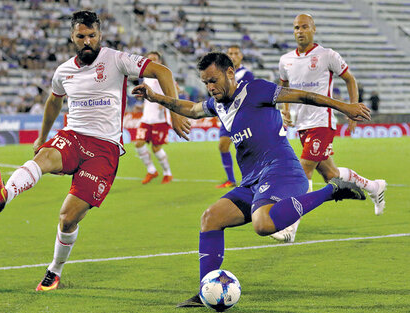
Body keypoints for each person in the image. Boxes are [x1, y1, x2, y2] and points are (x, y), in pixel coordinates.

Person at [132, 52, 370, 307]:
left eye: (213, 80)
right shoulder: (218, 103)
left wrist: (345, 106)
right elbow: (190, 109)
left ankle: (332, 190)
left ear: (230, 73)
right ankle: (205, 293)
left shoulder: (256, 89)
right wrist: (156, 98)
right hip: (252, 180)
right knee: (210, 219)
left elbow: (304, 95)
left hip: (281, 170)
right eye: (205, 83)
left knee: (263, 224)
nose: (210, 87)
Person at [0, 11, 190, 292]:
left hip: (104, 149)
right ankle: (4, 196)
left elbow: (162, 71)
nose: (87, 41)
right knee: (42, 157)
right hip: (73, 137)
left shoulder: (117, 59)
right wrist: (42, 137)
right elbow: (53, 103)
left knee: (68, 218)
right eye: (81, 36)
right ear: (72, 37)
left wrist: (175, 110)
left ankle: (54, 270)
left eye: (91, 36)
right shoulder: (64, 71)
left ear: (100, 35)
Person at [273, 14, 386, 243]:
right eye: (296, 27)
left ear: (313, 29)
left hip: (322, 122)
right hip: (303, 126)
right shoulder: (285, 60)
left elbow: (350, 79)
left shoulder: (327, 55)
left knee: (302, 172)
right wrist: (285, 110)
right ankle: (374, 187)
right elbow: (282, 88)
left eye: (304, 27)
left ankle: (289, 228)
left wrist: (351, 110)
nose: (300, 31)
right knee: (330, 175)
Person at [215, 45, 255, 189]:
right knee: (223, 145)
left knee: (247, 150)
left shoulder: (246, 74)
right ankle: (231, 180)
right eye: (230, 53)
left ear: (241, 56)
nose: (233, 55)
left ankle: (253, 178)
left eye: (236, 53)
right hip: (227, 116)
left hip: (242, 116)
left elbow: (248, 94)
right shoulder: (222, 74)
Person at [134, 51, 174, 184]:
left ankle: (167, 173)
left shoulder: (163, 74)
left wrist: (166, 101)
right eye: (149, 59)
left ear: (160, 61)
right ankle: (151, 170)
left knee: (156, 148)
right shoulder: (146, 77)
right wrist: (142, 105)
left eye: (154, 59)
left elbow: (175, 89)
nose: (151, 61)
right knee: (139, 144)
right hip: (147, 118)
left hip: (160, 119)